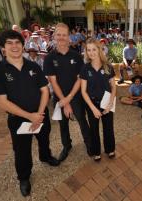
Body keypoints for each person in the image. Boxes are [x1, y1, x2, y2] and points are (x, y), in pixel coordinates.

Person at [0, 30, 59, 197]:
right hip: (18, 120)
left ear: (23, 45)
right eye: (9, 43)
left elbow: (44, 90)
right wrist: (29, 117)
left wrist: (39, 114)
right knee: (22, 150)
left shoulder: (33, 66)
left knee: (44, 138)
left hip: (40, 115)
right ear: (2, 48)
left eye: (17, 42)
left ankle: (45, 156)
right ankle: (24, 177)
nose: (14, 46)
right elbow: (1, 102)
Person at [43, 23, 92, 162]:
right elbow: (53, 82)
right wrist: (64, 101)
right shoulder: (49, 58)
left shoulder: (76, 56)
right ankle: (66, 145)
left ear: (69, 37)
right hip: (59, 98)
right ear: (54, 36)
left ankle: (89, 144)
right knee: (63, 124)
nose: (61, 37)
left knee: (82, 121)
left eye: (64, 35)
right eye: (58, 34)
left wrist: (69, 98)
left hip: (76, 96)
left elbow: (80, 79)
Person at [80, 38, 116, 161]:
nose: (91, 52)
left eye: (94, 49)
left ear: (99, 49)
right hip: (92, 103)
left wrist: (110, 104)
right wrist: (93, 108)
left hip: (107, 101)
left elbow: (113, 87)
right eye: (88, 50)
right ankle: (96, 151)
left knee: (108, 128)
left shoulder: (108, 66)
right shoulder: (85, 68)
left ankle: (110, 149)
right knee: (94, 130)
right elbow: (83, 91)